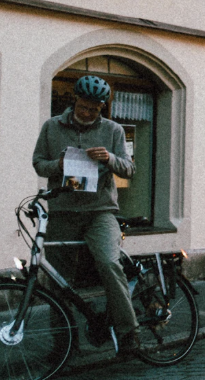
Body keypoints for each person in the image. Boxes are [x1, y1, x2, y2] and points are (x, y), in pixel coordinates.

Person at [31, 75, 138, 358]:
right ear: (74, 101)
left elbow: (129, 169)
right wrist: (60, 164)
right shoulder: (52, 127)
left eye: (95, 108)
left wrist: (110, 159)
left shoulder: (113, 130)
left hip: (99, 211)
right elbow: (39, 164)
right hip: (64, 212)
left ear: (102, 107)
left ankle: (129, 333)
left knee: (108, 263)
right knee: (57, 280)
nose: (89, 113)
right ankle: (65, 344)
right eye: (84, 107)